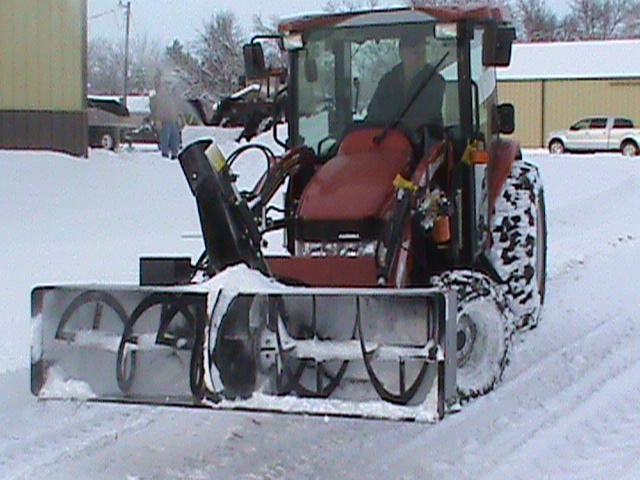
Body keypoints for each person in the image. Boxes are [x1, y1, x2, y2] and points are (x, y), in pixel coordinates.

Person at [367, 32, 445, 139]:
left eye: (423, 52)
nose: (420, 57)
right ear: (402, 53)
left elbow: (423, 117)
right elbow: (373, 116)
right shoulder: (387, 82)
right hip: (387, 142)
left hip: (424, 146)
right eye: (415, 52)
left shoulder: (434, 81)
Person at [151, 77, 182, 159]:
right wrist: (157, 120)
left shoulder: (173, 97)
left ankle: (174, 155)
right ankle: (165, 158)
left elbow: (177, 109)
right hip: (164, 122)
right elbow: (156, 110)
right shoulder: (159, 97)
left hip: (173, 121)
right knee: (165, 141)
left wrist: (178, 118)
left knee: (175, 141)